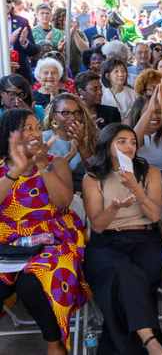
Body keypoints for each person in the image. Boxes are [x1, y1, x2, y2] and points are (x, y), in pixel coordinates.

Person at [0, 108, 86, 355]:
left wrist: (40, 165)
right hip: (8, 240)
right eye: (27, 128)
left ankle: (54, 342)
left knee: (32, 282)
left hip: (53, 238)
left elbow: (62, 203)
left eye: (36, 127)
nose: (35, 133)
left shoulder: (55, 163)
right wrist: (16, 169)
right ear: (9, 134)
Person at [81, 124, 162, 355]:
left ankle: (133, 344)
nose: (129, 146)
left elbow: (155, 215)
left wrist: (136, 189)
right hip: (107, 240)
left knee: (124, 281)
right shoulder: (93, 177)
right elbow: (98, 225)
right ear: (108, 145)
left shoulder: (150, 172)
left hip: (144, 237)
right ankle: (150, 340)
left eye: (133, 142)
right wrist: (113, 208)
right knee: (123, 271)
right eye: (122, 141)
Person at [42, 93, 98, 190]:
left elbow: (96, 172)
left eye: (77, 112)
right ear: (54, 115)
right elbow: (44, 175)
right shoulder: (44, 138)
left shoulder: (91, 137)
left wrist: (81, 146)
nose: (73, 117)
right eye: (65, 113)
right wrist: (70, 155)